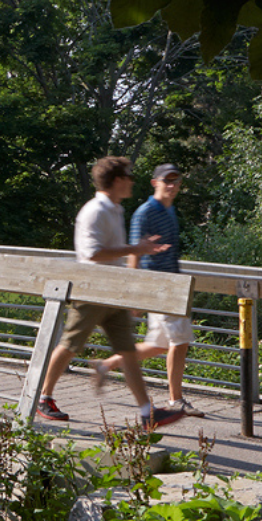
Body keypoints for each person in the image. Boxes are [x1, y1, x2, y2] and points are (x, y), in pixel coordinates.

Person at [36, 156, 185, 430]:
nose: (131, 182)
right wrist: (135, 249)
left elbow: (115, 254)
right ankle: (43, 397)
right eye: (128, 177)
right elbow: (92, 254)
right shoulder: (95, 210)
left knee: (128, 351)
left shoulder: (115, 209)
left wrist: (131, 282)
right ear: (117, 181)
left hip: (113, 291)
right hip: (91, 290)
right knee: (71, 345)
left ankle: (146, 413)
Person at [102, 163, 204, 417]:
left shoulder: (169, 210)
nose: (171, 185)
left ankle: (105, 365)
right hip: (159, 287)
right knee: (180, 342)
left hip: (172, 285)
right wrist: (135, 294)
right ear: (154, 183)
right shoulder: (145, 212)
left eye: (176, 181)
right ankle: (175, 400)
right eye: (166, 180)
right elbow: (134, 254)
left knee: (159, 345)